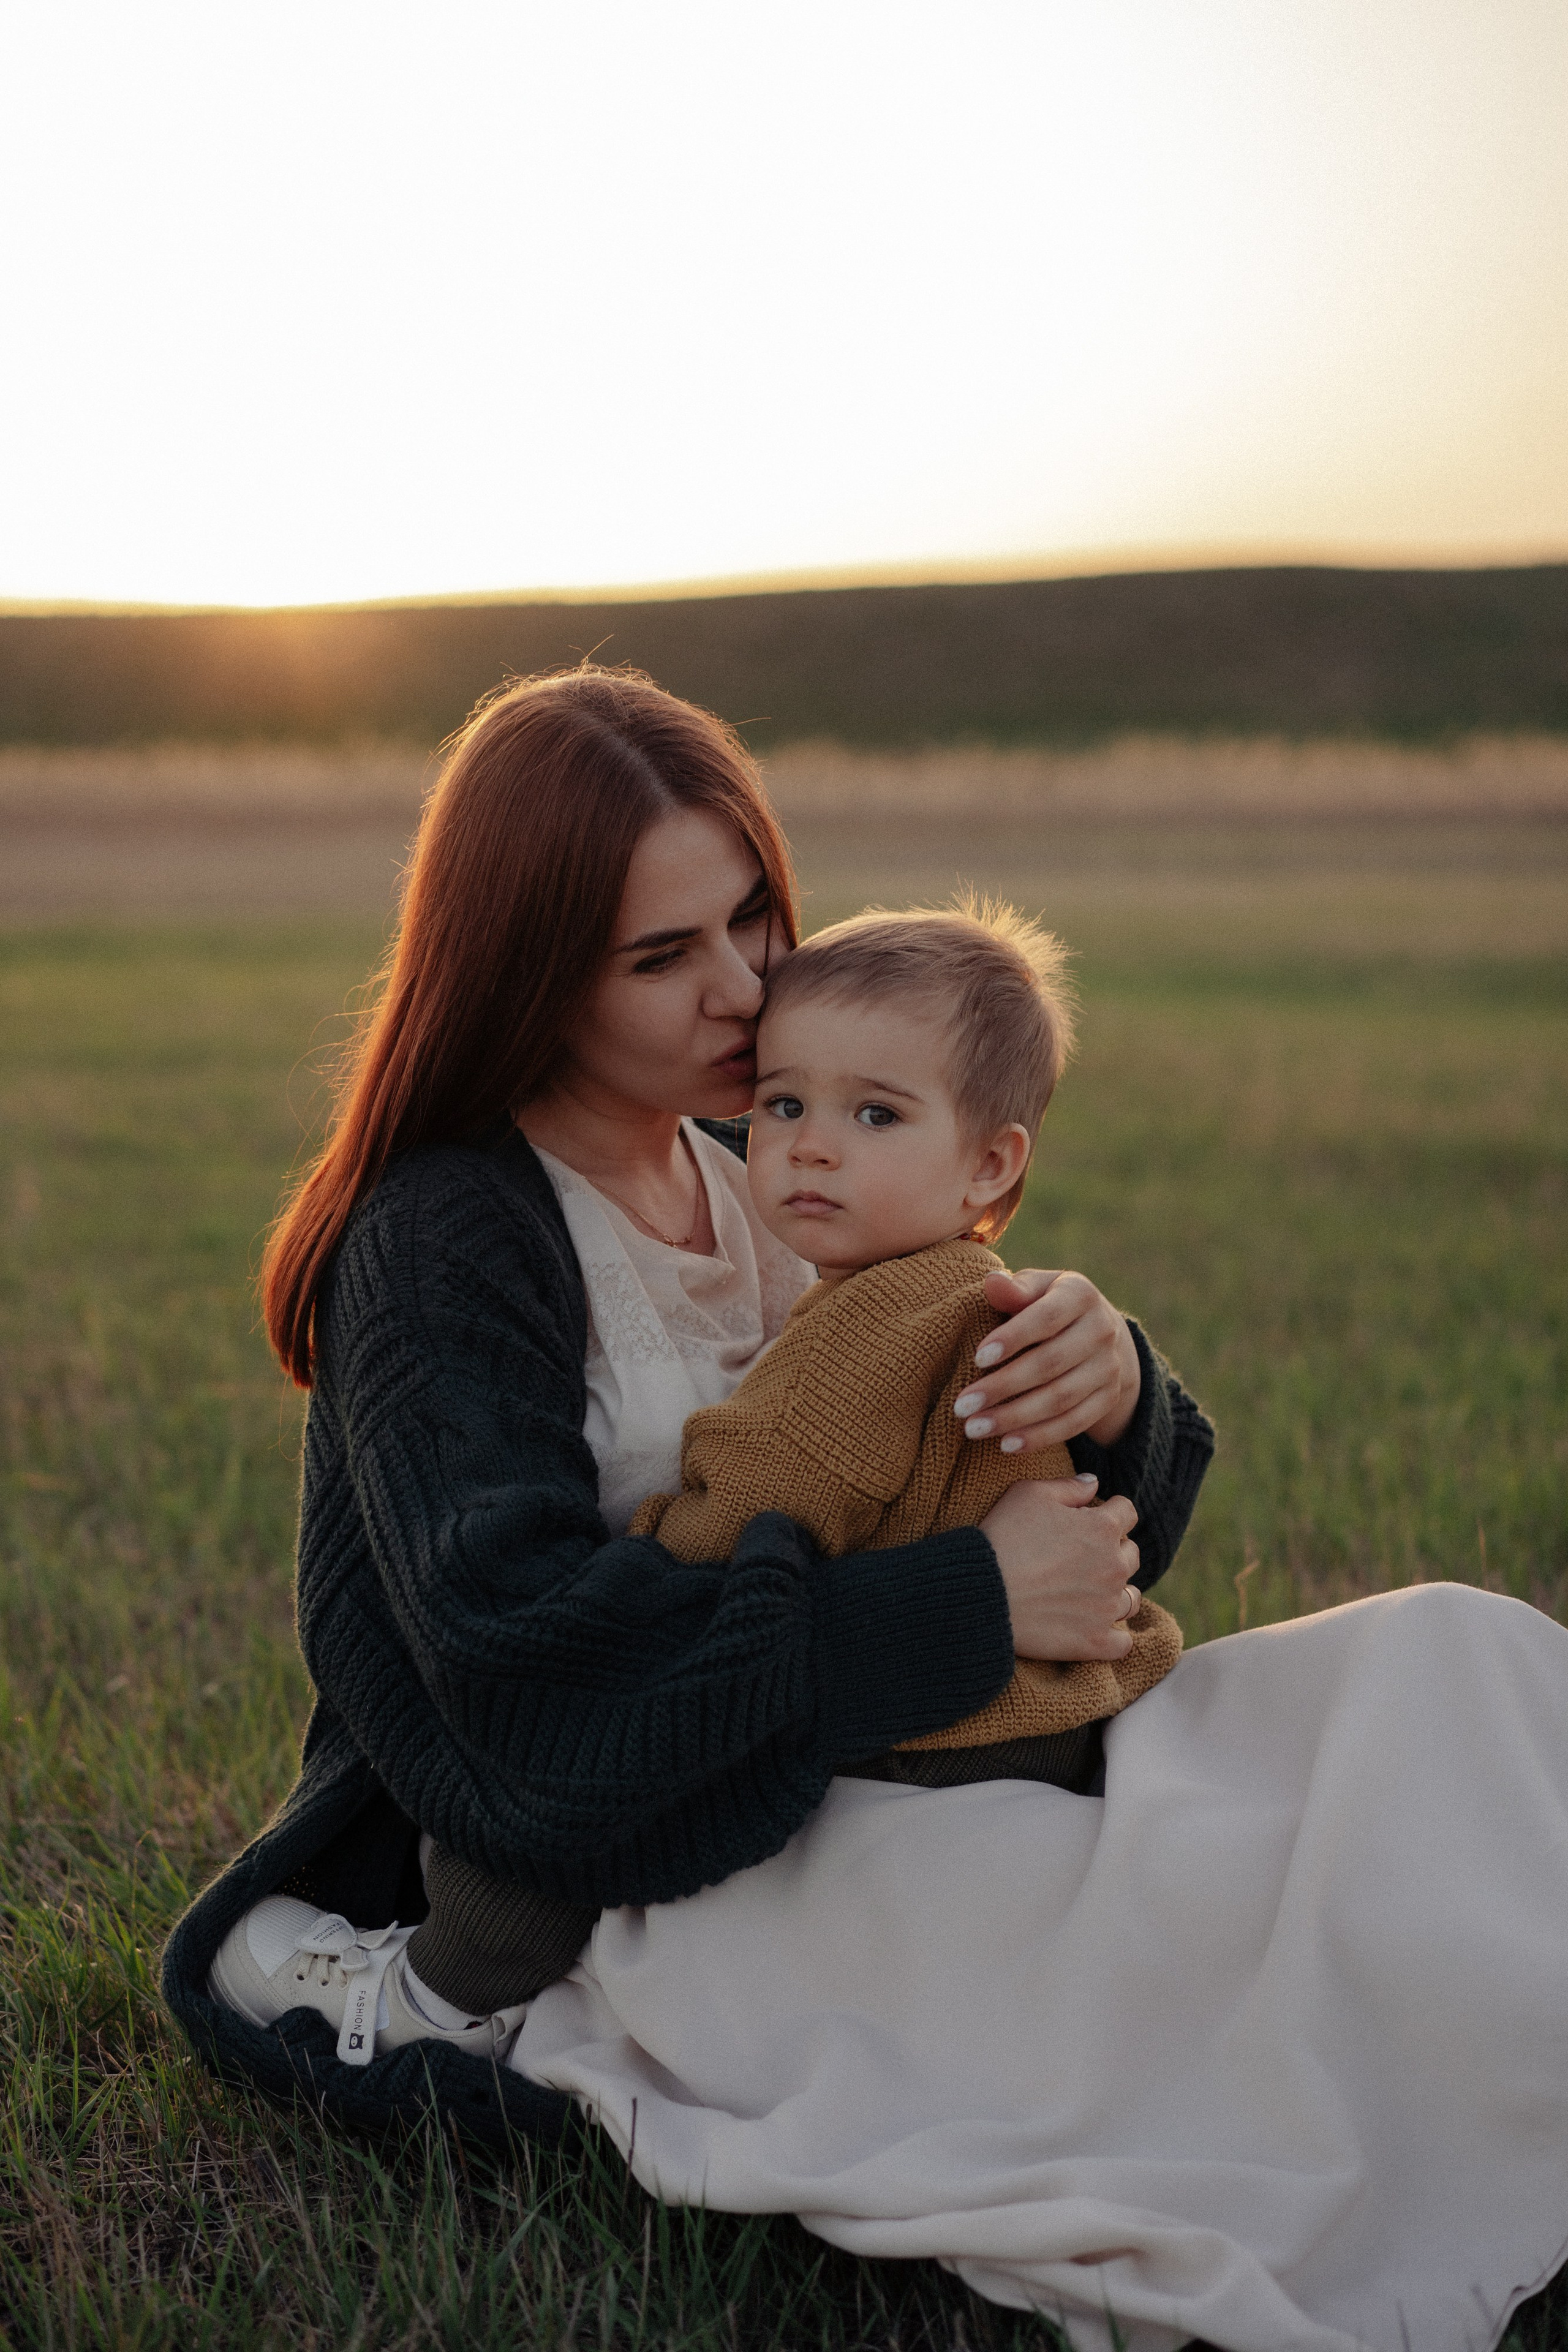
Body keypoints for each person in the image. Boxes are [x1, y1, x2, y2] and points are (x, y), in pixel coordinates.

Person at [162, 666, 1214, 2130]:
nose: (743, 987)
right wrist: (962, 1606)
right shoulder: (443, 1242)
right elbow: (528, 1682)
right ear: (530, 975)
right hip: (628, 1857)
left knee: (1429, 1691)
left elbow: (1067, 1543)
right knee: (1213, 1979)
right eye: (661, 955)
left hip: (860, 1783)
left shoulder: (775, 1161)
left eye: (752, 914)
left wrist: (1107, 1388)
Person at [630, 900, 1185, 1787]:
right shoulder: (964, 1287)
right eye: (784, 1103)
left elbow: (754, 1510)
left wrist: (646, 1544)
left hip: (952, 1740)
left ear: (990, 1165)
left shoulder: (881, 1320)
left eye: (876, 1117)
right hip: (1049, 1701)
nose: (810, 1147)